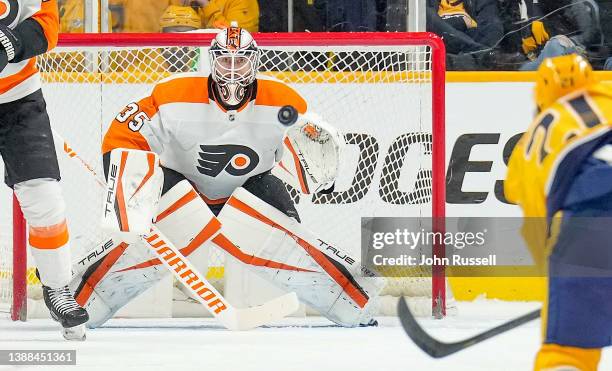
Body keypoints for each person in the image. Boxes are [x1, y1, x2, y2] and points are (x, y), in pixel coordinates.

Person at [70, 26, 383, 329]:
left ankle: (354, 301)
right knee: (138, 241)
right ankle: (79, 300)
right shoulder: (174, 93)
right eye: (225, 60)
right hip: (183, 185)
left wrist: (322, 164)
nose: (232, 69)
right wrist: (128, 187)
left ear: (254, 62)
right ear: (212, 60)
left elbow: (311, 142)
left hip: (252, 187)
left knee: (291, 243)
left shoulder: (282, 100)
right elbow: (124, 133)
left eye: (240, 61)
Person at [505, 54, 612, 370]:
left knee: (567, 354)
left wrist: (565, 284)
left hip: (591, 225)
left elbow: (539, 229)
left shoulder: (529, 145)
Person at [0, 0, 88, 339]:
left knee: (45, 197)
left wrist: (9, 43)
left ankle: (57, 288)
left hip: (22, 100)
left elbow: (48, 25)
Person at [426, 0, 504, 69]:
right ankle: (480, 57)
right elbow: (429, 22)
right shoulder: (420, 3)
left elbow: (493, 25)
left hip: (472, 39)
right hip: (442, 43)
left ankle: (458, 62)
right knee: (433, 23)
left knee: (493, 28)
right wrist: (461, 22)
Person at [190, 0, 259, 32]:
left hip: (235, 56)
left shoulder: (244, 1)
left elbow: (234, 36)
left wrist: (205, 4)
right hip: (194, 52)